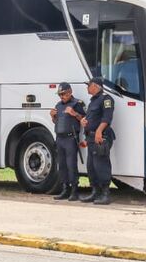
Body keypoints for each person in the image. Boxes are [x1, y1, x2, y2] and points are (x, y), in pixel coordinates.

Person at [79, 77, 114, 205]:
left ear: (95, 86)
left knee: (101, 165)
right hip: (91, 138)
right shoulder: (93, 101)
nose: (87, 87)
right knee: (91, 166)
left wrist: (99, 131)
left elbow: (107, 117)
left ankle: (105, 194)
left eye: (88, 85)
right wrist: (83, 121)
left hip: (100, 137)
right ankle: (95, 192)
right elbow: (92, 118)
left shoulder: (106, 99)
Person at [49, 82, 85, 201]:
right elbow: (57, 122)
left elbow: (85, 119)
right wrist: (53, 117)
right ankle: (65, 189)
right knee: (62, 165)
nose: (61, 96)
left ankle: (74, 190)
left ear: (70, 92)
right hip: (60, 138)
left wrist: (74, 113)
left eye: (63, 94)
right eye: (60, 94)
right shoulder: (58, 105)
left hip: (70, 138)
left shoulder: (77, 104)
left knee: (71, 165)